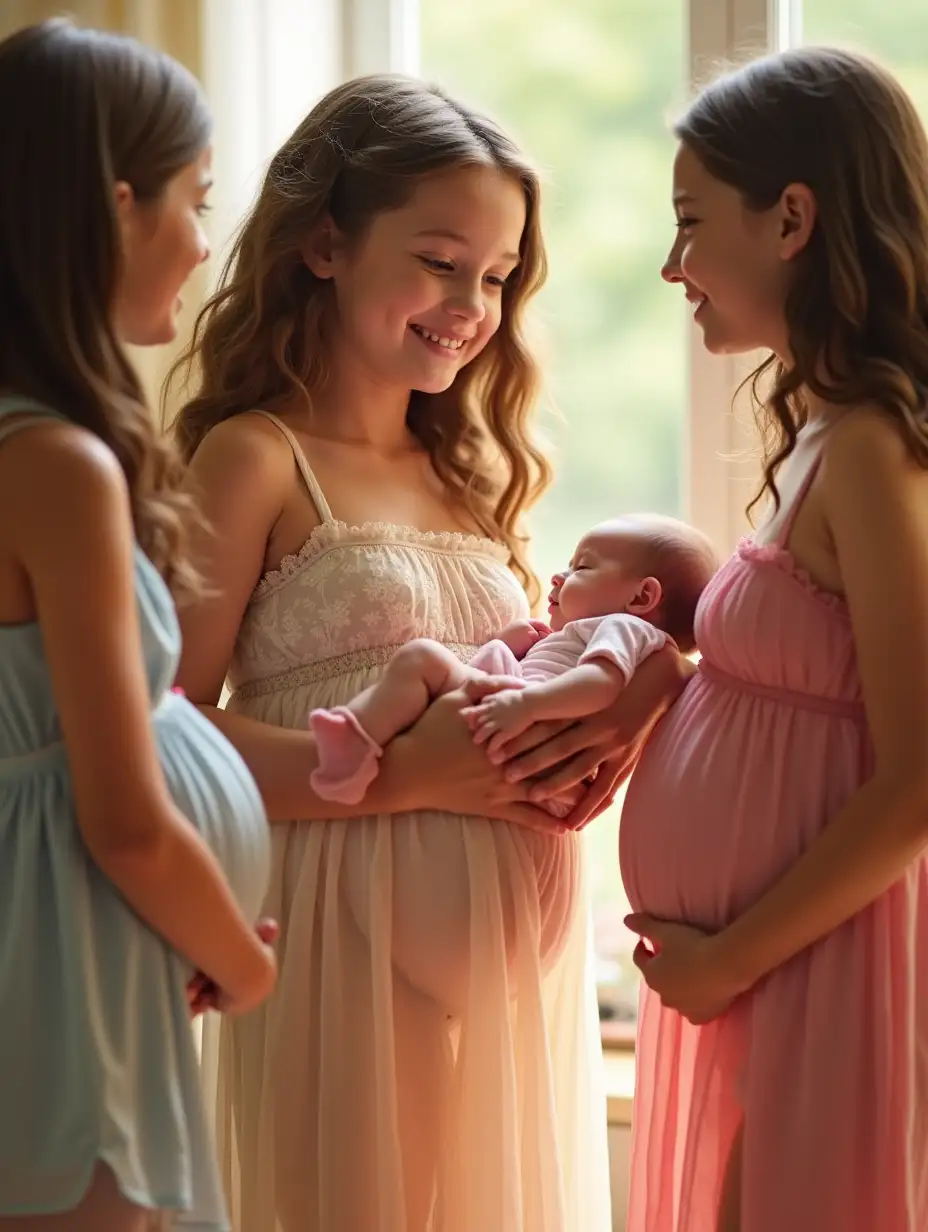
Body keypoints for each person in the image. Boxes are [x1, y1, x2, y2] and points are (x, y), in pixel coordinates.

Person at [170, 75, 690, 1232]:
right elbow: (158, 735)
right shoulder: (256, 459)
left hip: (515, 980)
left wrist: (629, 701)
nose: (472, 302)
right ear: (322, 244)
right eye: (441, 259)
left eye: (499, 276)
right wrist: (405, 776)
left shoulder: (478, 477)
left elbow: (556, 668)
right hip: (328, 946)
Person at [618, 46, 928, 1232]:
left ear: (791, 216)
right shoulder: (821, 434)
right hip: (773, 972)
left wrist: (728, 957)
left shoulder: (873, 450)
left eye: (692, 222)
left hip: (821, 973)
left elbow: (911, 782)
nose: (671, 263)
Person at [0, 20, 275, 1232]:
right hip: (64, 994)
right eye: (195, 200)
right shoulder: (54, 463)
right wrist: (243, 951)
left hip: (88, 961)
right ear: (118, 207)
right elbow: (121, 818)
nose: (205, 243)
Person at [308, 514, 717, 810]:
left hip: (530, 727)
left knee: (421, 659)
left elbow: (600, 684)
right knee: (424, 662)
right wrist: (508, 644)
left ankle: (355, 743)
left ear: (642, 598)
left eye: (583, 566)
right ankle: (354, 744)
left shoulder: (626, 628)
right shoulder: (585, 636)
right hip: (521, 720)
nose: (559, 576)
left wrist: (526, 705)